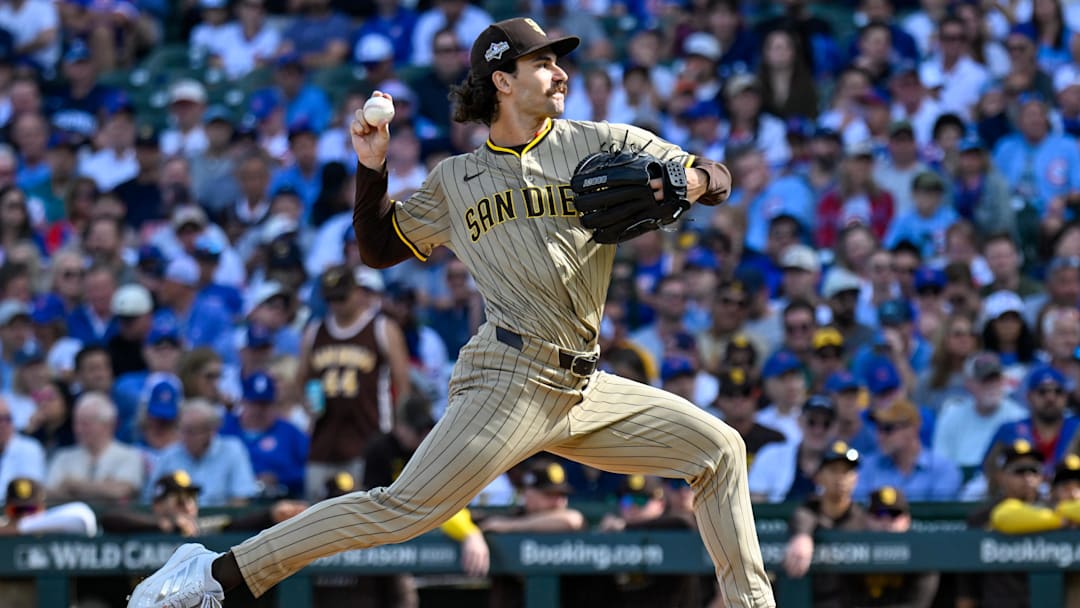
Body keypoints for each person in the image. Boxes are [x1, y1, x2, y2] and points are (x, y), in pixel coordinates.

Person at [128, 18, 775, 608]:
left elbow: (712, 173)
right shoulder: (455, 180)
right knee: (402, 510)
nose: (561, 72)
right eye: (545, 63)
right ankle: (217, 575)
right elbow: (379, 249)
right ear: (503, 79)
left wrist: (689, 184)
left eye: (560, 62)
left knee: (720, 450)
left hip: (585, 385)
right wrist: (371, 169)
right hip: (508, 377)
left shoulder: (600, 142)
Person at [780, 439, 864, 608]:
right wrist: (802, 536)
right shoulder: (807, 513)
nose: (841, 478)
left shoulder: (862, 518)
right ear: (819, 477)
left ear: (856, 478)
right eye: (834, 470)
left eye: (847, 471)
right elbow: (803, 515)